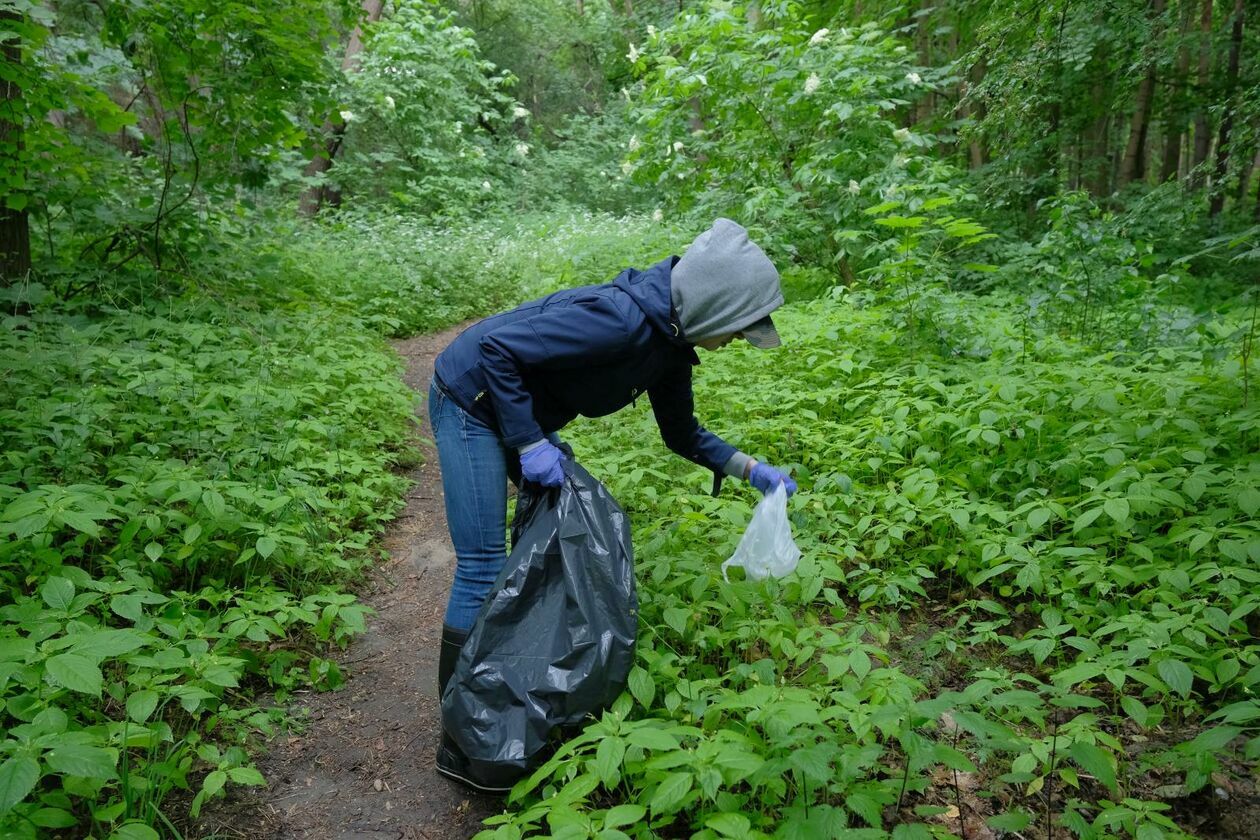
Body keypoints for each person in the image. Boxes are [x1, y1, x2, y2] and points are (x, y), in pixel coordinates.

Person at [427, 218, 798, 790]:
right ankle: (459, 736)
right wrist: (528, 442)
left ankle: (495, 694)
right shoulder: (619, 322)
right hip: (472, 400)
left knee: (526, 550)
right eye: (737, 330)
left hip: (515, 404)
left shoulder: (669, 345)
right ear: (714, 307)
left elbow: (682, 433)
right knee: (481, 562)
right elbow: (498, 350)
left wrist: (750, 470)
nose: (730, 343)